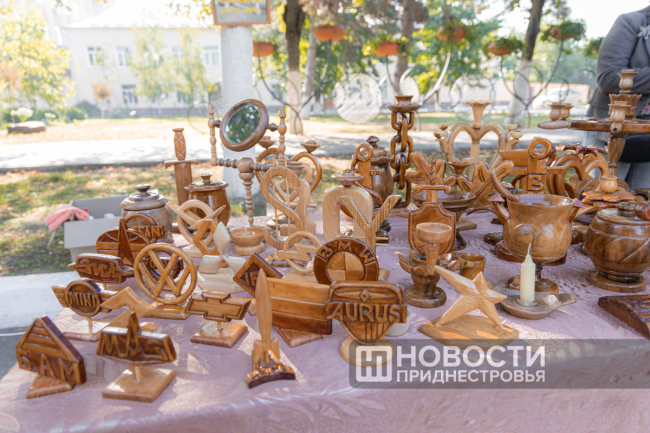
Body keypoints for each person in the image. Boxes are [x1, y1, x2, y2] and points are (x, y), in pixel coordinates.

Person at [587, 5, 650, 189]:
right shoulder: (630, 22)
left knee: (642, 201)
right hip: (613, 131)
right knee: (599, 198)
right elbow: (608, 77)